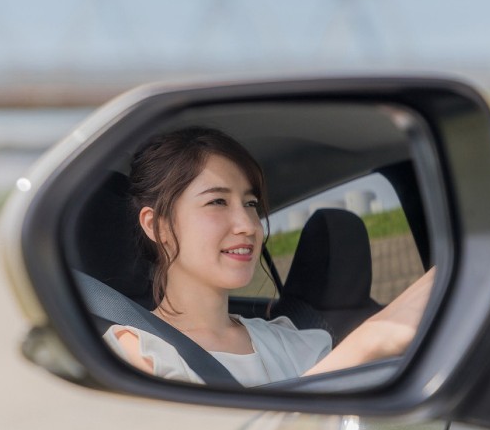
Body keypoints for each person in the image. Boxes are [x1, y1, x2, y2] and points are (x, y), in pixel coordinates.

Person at [102, 126, 435, 387]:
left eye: (250, 204)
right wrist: (370, 340)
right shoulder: (135, 354)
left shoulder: (294, 341)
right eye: (217, 202)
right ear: (157, 225)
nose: (248, 225)